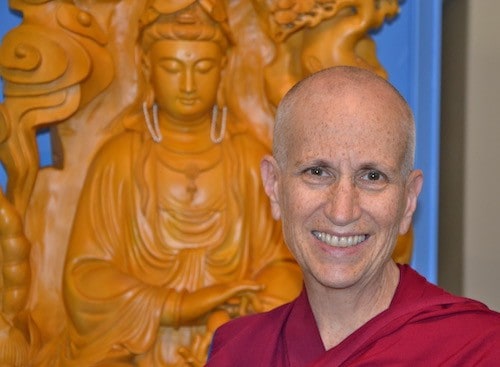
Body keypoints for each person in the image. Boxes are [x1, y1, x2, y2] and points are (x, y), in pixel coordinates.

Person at [55, 3, 301, 366]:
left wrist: (245, 305)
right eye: (172, 68)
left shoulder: (250, 159)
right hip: (139, 346)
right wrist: (178, 306)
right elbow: (83, 280)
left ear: (223, 68)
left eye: (202, 68)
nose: (188, 85)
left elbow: (286, 264)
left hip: (234, 338)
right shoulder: (119, 159)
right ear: (146, 67)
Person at [206, 66, 500, 366]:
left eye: (372, 176)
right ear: (274, 186)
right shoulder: (238, 351)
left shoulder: (478, 349)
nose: (342, 211)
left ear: (409, 199)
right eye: (317, 172)